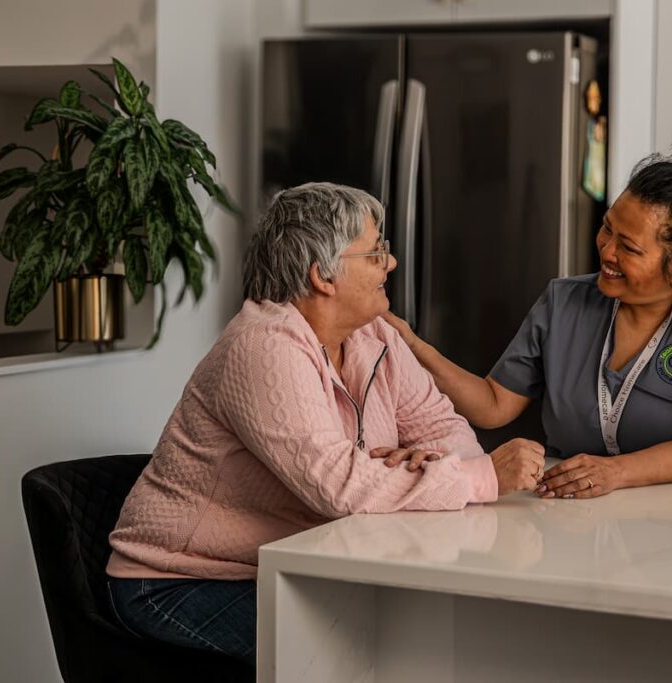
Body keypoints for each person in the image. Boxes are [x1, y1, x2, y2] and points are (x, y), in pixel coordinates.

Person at [106, 182, 544, 666]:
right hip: (183, 581)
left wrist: (425, 465)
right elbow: (341, 489)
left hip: (299, 562)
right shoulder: (264, 346)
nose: (391, 264)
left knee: (421, 628)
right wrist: (480, 478)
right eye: (377, 252)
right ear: (323, 276)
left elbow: (446, 429)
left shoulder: (375, 335)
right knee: (369, 650)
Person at [385, 132, 672, 501]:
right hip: (568, 508)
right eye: (607, 229)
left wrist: (614, 473)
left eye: (629, 248)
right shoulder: (564, 301)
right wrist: (415, 347)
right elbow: (493, 404)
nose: (607, 251)